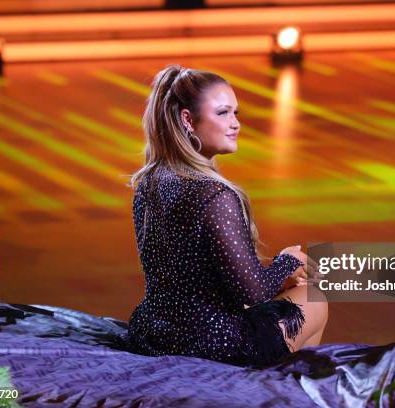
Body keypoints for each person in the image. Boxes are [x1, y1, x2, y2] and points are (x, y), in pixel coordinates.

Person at [125, 64, 328, 367]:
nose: (235, 124)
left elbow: (193, 270)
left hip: (152, 332)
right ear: (187, 120)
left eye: (236, 113)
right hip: (208, 341)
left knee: (291, 293)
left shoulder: (151, 180)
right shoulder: (215, 195)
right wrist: (288, 261)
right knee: (314, 298)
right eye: (222, 113)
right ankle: (283, 391)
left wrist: (275, 274)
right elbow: (253, 291)